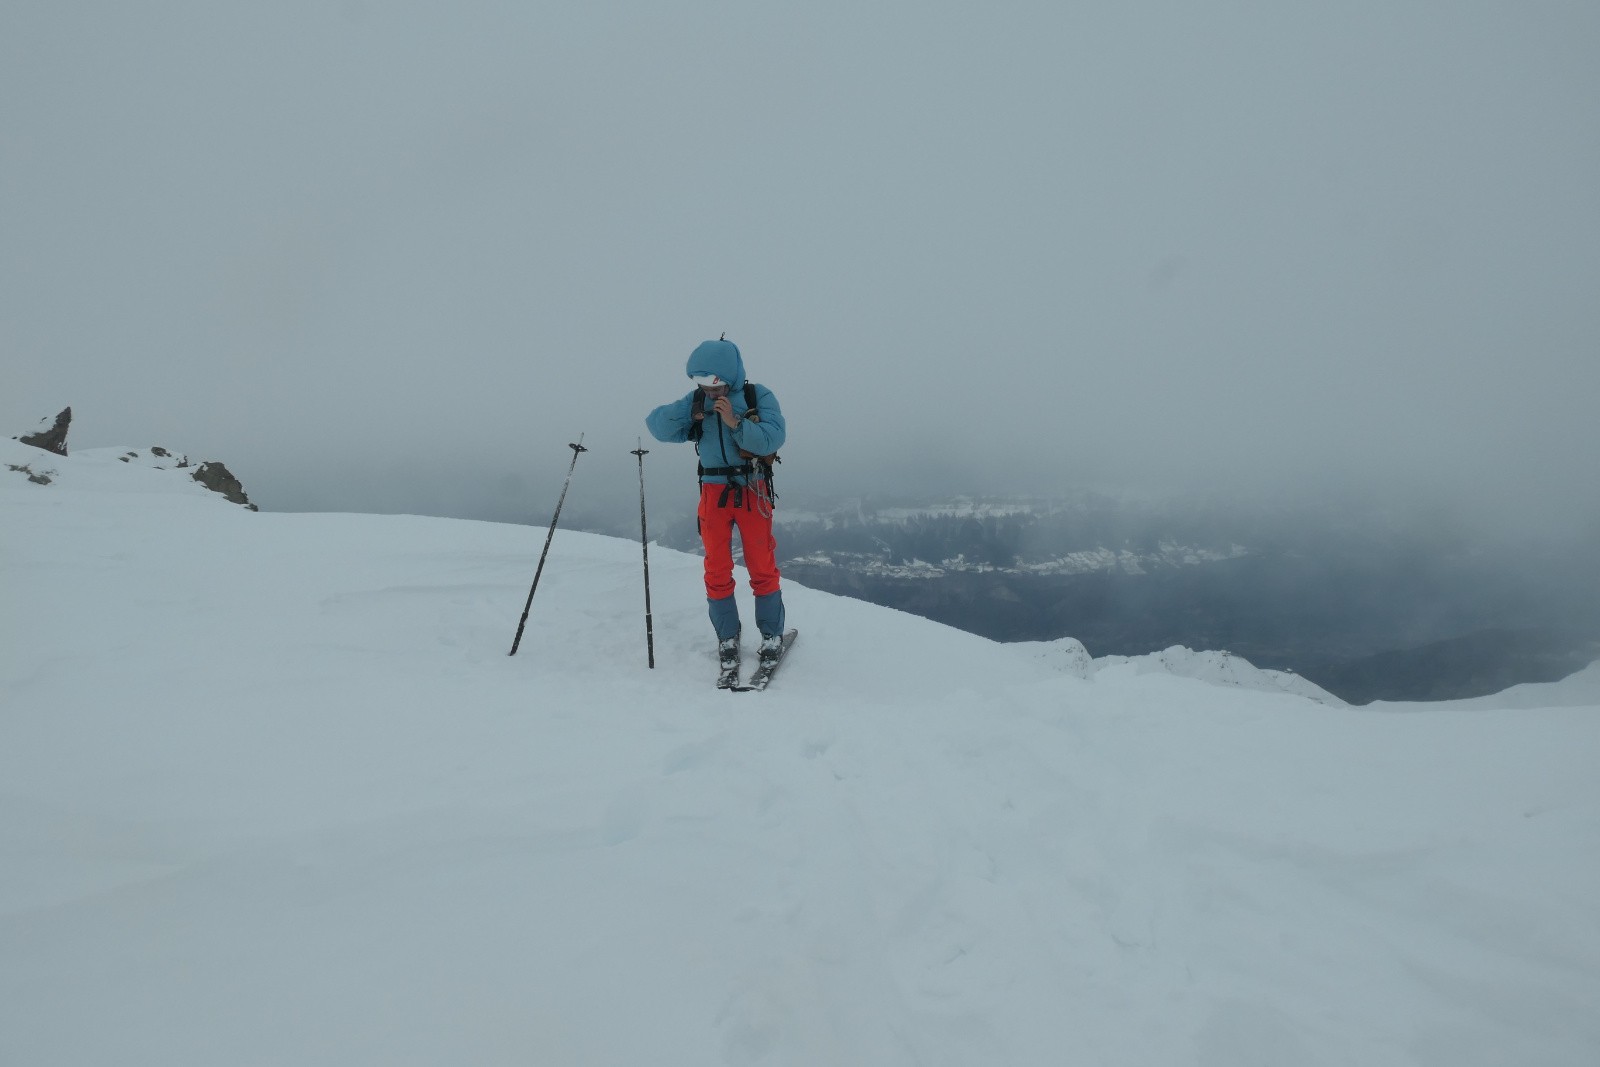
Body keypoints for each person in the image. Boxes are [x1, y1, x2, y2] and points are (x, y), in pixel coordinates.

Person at [646, 337, 787, 670]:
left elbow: (773, 436)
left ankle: (771, 635)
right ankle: (727, 636)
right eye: (702, 383)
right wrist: (692, 415)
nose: (710, 390)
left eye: (715, 383)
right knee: (717, 567)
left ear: (729, 375)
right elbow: (657, 426)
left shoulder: (757, 395)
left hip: (751, 487)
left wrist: (735, 423)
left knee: (761, 563)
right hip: (713, 491)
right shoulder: (699, 400)